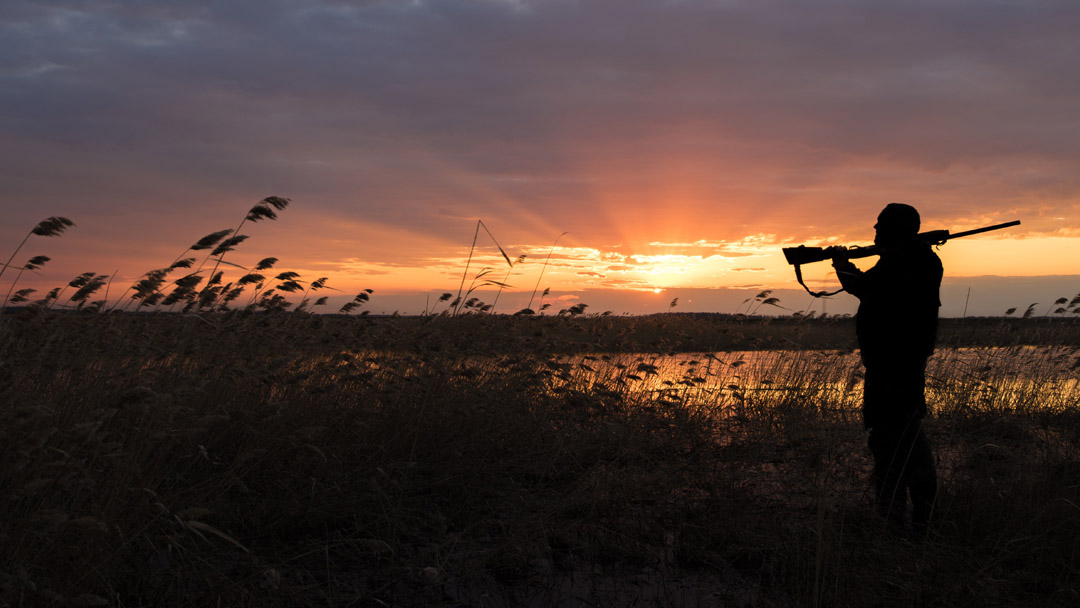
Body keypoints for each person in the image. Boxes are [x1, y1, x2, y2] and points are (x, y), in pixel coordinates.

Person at [830, 203, 942, 538]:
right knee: (890, 440)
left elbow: (866, 288)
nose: (874, 231)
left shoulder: (911, 261)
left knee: (899, 439)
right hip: (891, 366)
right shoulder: (907, 257)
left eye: (881, 226)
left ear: (896, 229)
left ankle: (912, 524)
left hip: (898, 368)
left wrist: (842, 265)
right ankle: (899, 523)